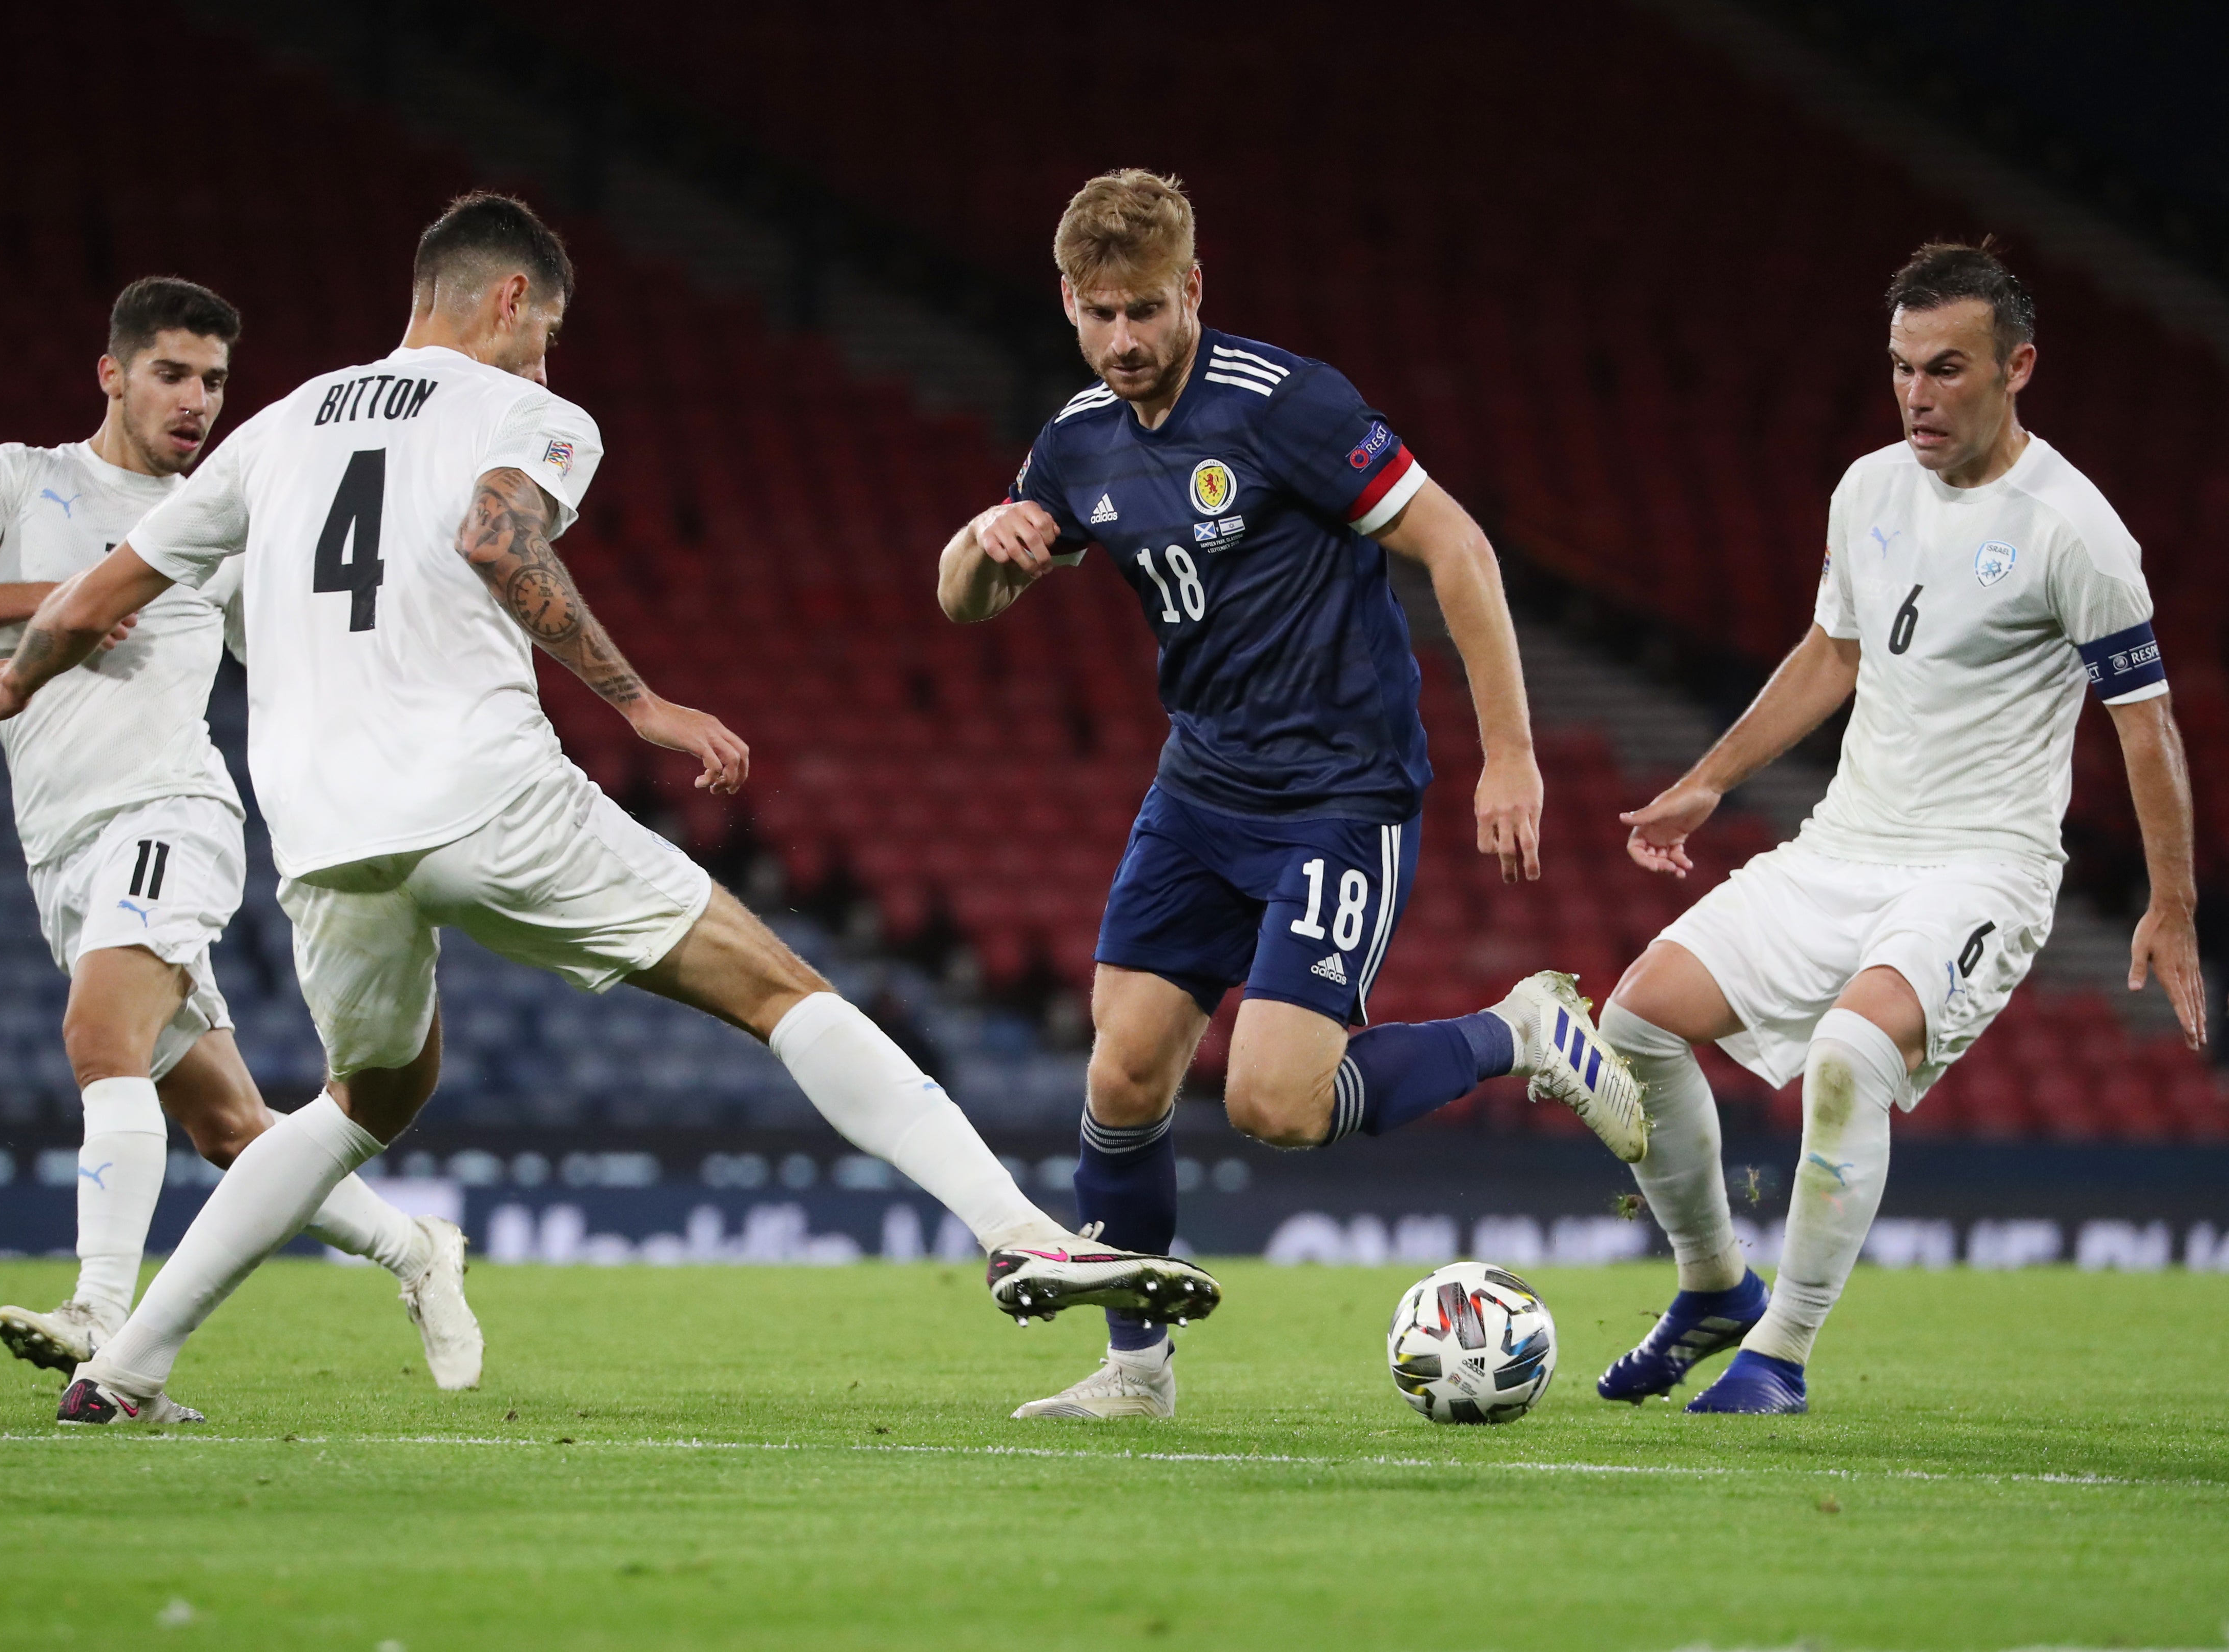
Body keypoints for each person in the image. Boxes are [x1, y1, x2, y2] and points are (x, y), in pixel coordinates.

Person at [0, 193, 1219, 1427]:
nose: (551, 353)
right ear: (510, 300)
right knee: (782, 988)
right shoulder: (522, 406)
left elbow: (99, 589)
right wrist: (644, 703)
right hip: (487, 794)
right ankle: (1017, 1236)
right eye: (548, 327)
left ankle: (126, 1365)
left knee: (363, 1100)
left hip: (326, 838)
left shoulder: (278, 426)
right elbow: (501, 540)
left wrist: (16, 674)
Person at [934, 170, 1649, 1422]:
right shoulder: (1077, 438)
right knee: (1123, 1077)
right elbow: (969, 599)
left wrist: (1512, 754)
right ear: (1066, 302)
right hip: (1201, 786)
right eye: (1098, 314)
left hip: (1338, 793)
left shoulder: (1286, 406)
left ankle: (1519, 1032)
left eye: (1146, 309)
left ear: (1193, 288)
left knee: (1273, 1101)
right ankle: (1136, 1378)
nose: (1123, 341)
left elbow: (1458, 548)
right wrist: (978, 548)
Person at [1596, 240, 2207, 1415]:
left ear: (2017, 365)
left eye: (1947, 368)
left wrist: (2169, 902)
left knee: (1845, 1057)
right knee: (1634, 1021)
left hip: (1980, 869)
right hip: (1844, 844)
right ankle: (1715, 1284)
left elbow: (2147, 726)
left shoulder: (2074, 531)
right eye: (1899, 369)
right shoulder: (1868, 486)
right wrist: (1708, 779)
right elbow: (1834, 650)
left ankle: (1778, 1352)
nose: (1917, 395)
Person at [0, 278, 479, 1395]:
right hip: (59, 847)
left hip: (171, 816)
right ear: (112, 372)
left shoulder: (220, 527)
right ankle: (418, 1249)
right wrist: (75, 599)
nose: (197, 400)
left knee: (99, 1037)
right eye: (174, 374)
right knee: (233, 1127)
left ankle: (100, 1313)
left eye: (214, 381)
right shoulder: (19, 480)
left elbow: (314, 666)